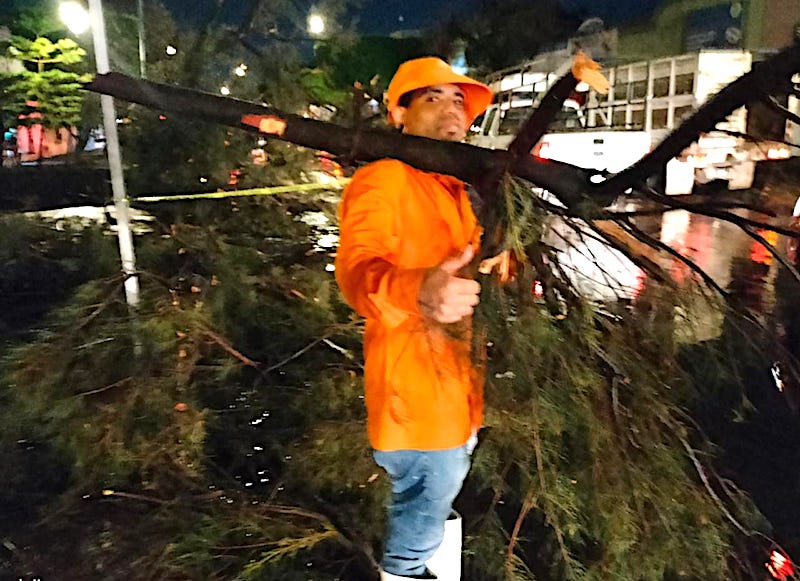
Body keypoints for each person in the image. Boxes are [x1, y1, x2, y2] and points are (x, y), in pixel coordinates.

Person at [334, 57, 493, 580]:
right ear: (400, 114)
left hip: (458, 393)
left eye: (458, 100)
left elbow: (472, 266)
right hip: (417, 401)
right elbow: (357, 271)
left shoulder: (453, 188)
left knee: (436, 502)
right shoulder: (384, 179)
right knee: (421, 522)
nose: (453, 110)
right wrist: (417, 290)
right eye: (433, 97)